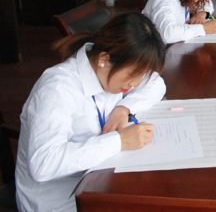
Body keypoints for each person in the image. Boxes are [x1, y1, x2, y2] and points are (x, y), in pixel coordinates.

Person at [15, 13, 167, 212]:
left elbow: (156, 83)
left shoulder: (106, 71)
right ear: (104, 59)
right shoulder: (57, 89)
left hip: (96, 176)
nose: (136, 84)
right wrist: (119, 141)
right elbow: (43, 164)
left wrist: (123, 108)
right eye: (133, 74)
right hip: (58, 196)